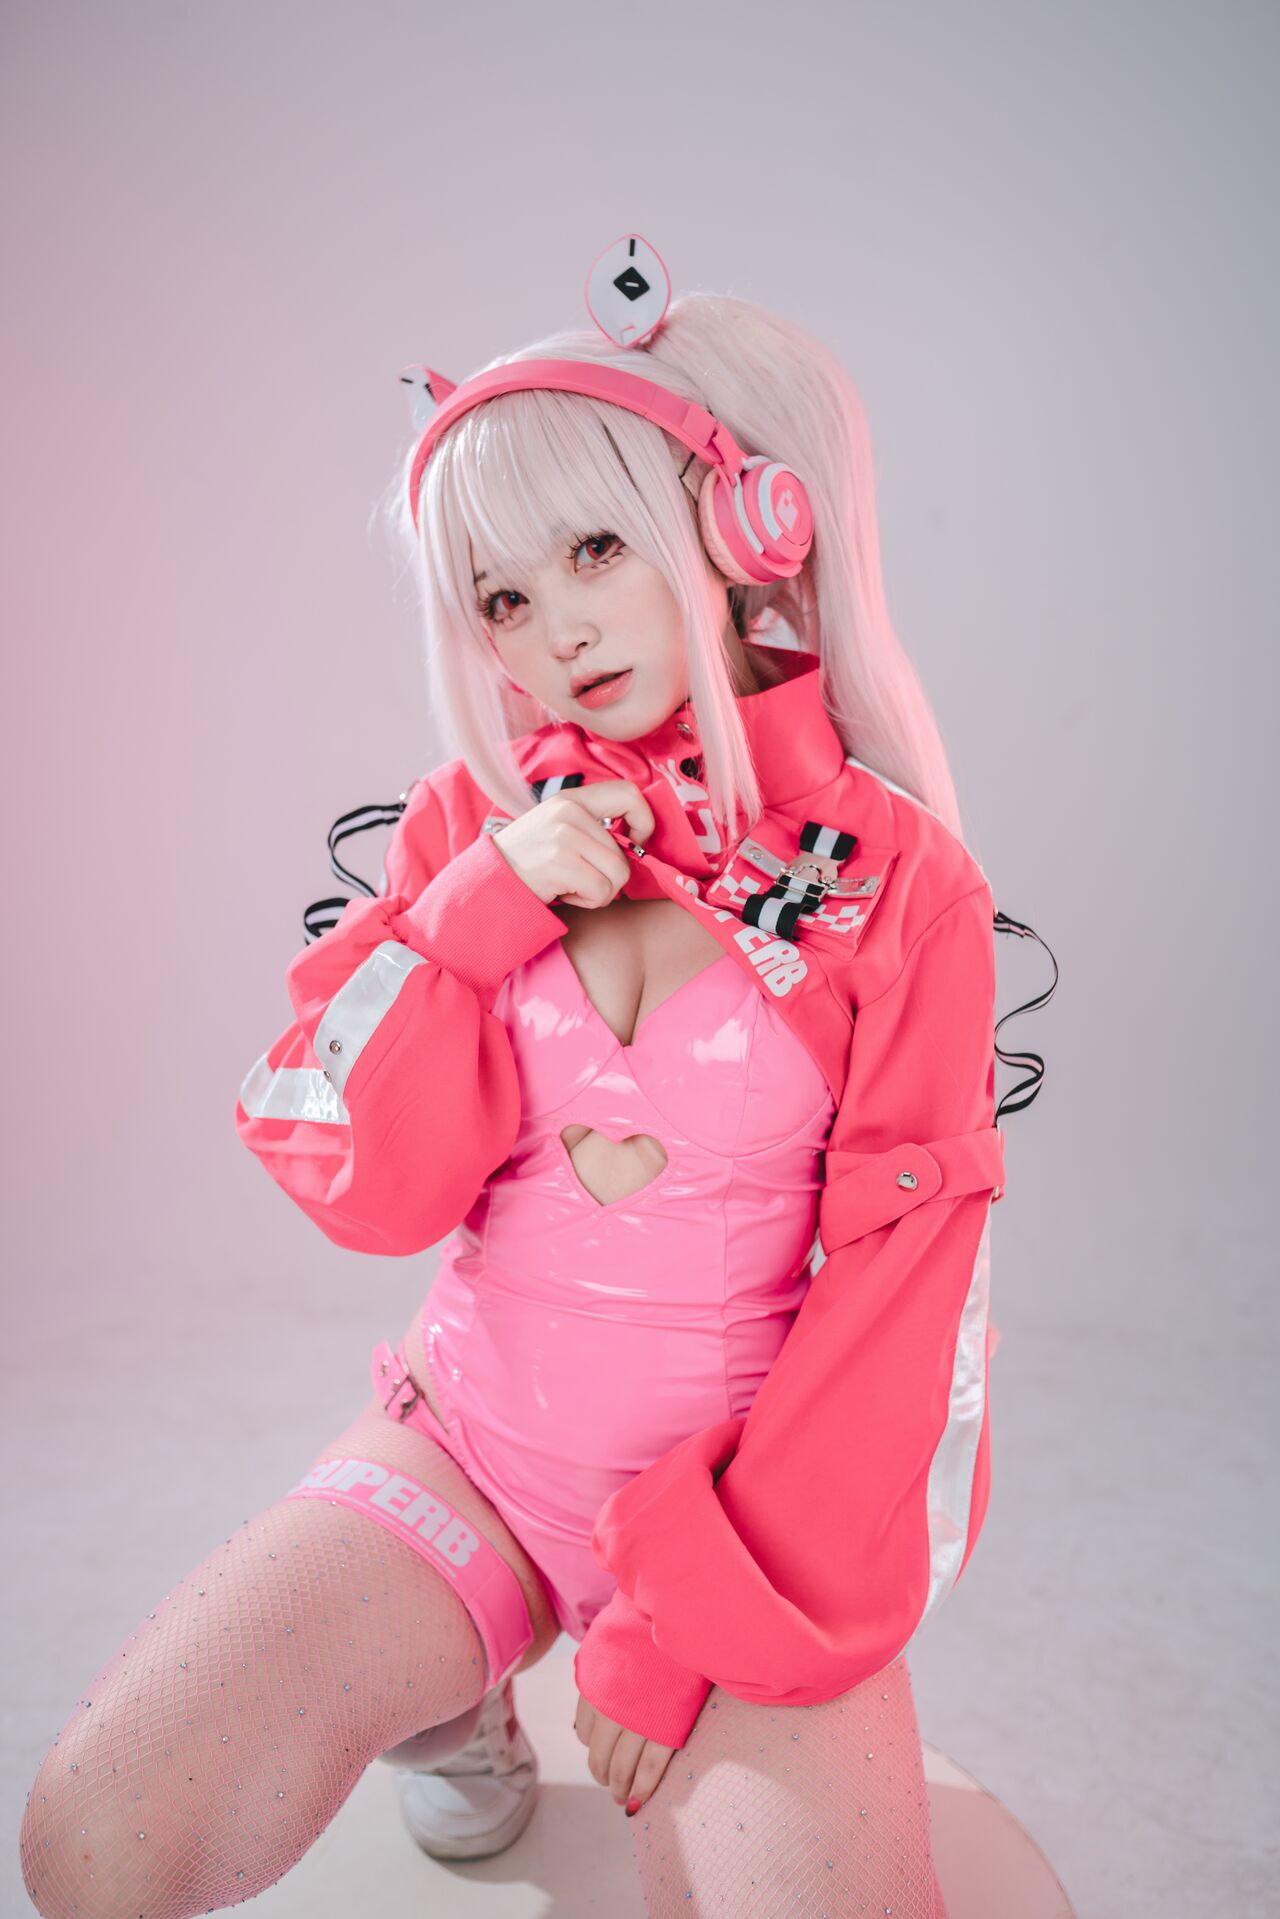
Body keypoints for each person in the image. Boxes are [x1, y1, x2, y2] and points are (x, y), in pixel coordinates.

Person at [19, 234, 1018, 1918]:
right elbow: (361, 1179)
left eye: (594, 550)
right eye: (500, 596)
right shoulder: (469, 825)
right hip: (470, 1448)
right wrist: (473, 915)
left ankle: (574, 1665)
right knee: (95, 1845)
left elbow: (908, 1312)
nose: (554, 630)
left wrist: (686, 1624)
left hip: (740, 1521)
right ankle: (452, 1686)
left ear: (739, 531)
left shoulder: (902, 881)